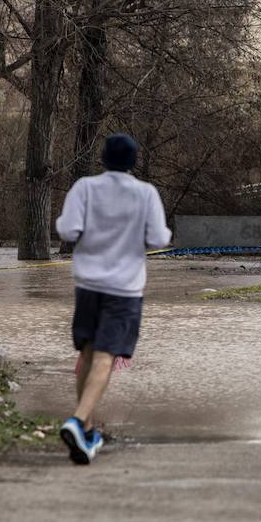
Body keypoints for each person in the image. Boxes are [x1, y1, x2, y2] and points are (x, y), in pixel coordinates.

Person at [55, 134, 171, 465]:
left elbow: (67, 230)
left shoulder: (84, 188)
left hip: (88, 285)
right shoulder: (146, 193)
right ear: (134, 162)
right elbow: (159, 238)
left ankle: (87, 433)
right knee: (106, 358)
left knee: (88, 355)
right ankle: (78, 421)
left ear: (102, 159)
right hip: (124, 288)